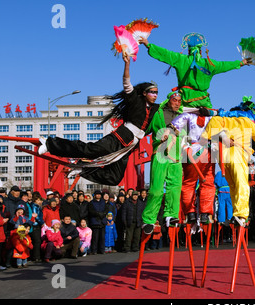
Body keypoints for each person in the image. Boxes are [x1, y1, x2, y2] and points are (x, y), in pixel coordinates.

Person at [38, 52, 160, 186]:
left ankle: (82, 169)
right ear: (144, 93)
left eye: (156, 93)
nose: (155, 95)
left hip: (129, 146)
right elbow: (126, 83)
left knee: (115, 178)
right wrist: (127, 64)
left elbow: (174, 106)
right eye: (152, 92)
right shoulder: (136, 101)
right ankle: (50, 144)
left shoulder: (156, 108)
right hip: (120, 137)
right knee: (89, 150)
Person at [139, 33, 251, 109]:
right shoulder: (209, 63)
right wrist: (241, 63)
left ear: (188, 50)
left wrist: (148, 45)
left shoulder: (181, 59)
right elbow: (225, 65)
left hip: (182, 101)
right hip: (203, 102)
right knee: (214, 127)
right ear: (201, 51)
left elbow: (165, 54)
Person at [141, 92, 183, 234]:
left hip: (176, 157)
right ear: (169, 100)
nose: (177, 103)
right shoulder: (158, 113)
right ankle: (149, 219)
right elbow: (144, 129)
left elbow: (191, 134)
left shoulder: (184, 116)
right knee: (156, 189)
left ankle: (171, 215)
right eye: (174, 100)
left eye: (179, 101)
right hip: (160, 153)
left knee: (175, 188)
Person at [88, 190, 108, 254]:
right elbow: (91, 211)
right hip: (95, 221)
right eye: (97, 194)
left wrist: (103, 214)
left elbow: (106, 210)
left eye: (99, 194)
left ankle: (102, 250)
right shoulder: (91, 202)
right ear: (95, 195)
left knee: (102, 237)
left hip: (102, 221)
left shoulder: (103, 202)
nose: (98, 195)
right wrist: (98, 214)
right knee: (95, 237)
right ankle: (94, 250)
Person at [29, 193, 45, 262]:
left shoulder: (34, 206)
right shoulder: (35, 206)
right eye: (38, 200)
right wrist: (42, 223)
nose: (40, 202)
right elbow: (37, 216)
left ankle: (35, 256)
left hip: (35, 225)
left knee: (35, 241)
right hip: (35, 225)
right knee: (37, 241)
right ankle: (36, 257)